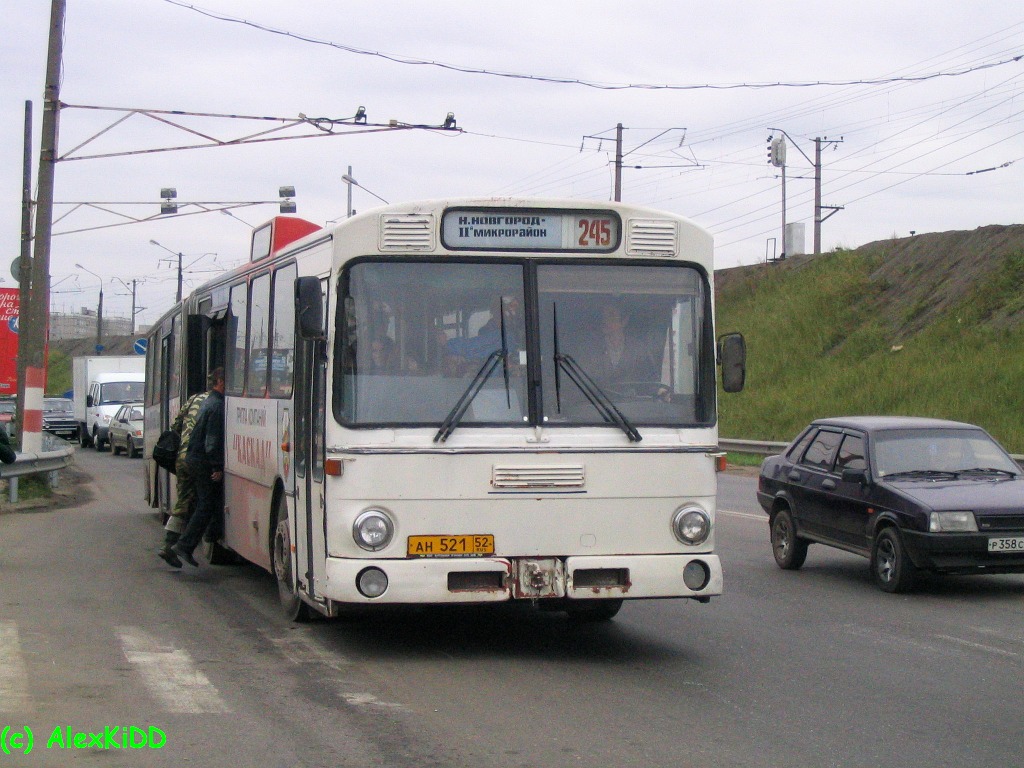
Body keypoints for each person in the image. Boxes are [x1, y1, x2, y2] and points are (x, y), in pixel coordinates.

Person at [157, 368, 220, 568]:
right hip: (200, 457)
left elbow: (175, 426)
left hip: (182, 457)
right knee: (205, 500)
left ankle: (169, 545)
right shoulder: (217, 403)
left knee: (183, 501)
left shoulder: (194, 399)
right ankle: (186, 544)